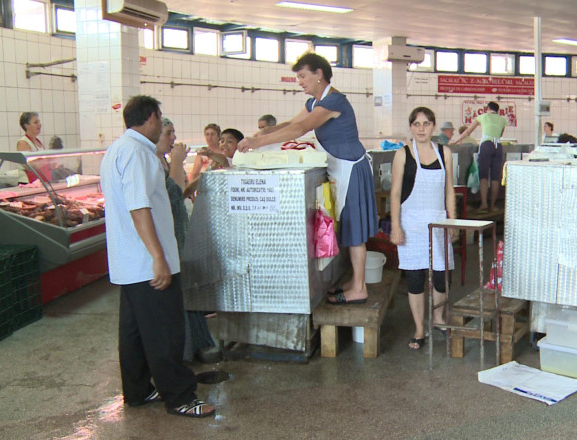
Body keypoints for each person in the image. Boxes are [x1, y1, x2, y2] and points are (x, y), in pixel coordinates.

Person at [99, 95, 215, 418]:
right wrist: (158, 257)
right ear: (151, 118)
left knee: (134, 332)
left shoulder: (117, 149)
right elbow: (139, 208)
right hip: (147, 262)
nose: (162, 125)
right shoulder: (138, 153)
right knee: (165, 331)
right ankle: (180, 396)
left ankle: (138, 390)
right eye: (160, 118)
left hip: (129, 262)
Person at [237, 53, 377, 305]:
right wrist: (263, 133)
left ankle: (359, 288)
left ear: (319, 74)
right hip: (339, 169)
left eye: (302, 76)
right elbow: (292, 122)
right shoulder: (315, 102)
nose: (300, 82)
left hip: (351, 169)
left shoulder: (334, 101)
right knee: (347, 226)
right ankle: (356, 281)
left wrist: (257, 143)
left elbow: (300, 129)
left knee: (354, 230)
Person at [390, 107, 455, 350]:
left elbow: (449, 190)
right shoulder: (403, 155)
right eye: (416, 124)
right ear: (410, 127)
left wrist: (452, 222)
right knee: (415, 278)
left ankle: (438, 319)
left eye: (426, 124)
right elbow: (395, 193)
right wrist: (395, 226)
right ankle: (419, 329)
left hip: (438, 223)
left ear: (433, 126)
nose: (421, 129)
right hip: (411, 224)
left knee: (441, 276)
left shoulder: (444, 153)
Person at [155, 117, 216, 363]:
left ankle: (198, 339)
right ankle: (185, 348)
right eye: (168, 133)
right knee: (178, 289)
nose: (173, 138)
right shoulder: (153, 161)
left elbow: (180, 191)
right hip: (167, 229)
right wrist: (178, 162)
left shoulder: (164, 160)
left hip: (179, 225)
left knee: (188, 284)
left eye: (174, 132)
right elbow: (172, 193)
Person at [450, 101, 507, 212]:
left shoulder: (483, 116)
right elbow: (500, 135)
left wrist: (455, 141)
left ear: (488, 108)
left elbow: (467, 132)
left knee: (484, 176)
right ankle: (493, 206)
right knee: (495, 178)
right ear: (497, 110)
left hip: (486, 145)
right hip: (498, 147)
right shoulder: (502, 120)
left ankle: (484, 204)